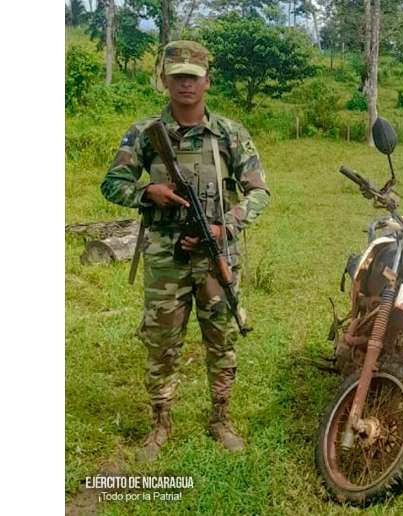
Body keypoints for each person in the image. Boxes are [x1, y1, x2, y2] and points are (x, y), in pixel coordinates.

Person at [100, 41, 270, 460]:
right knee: (161, 343)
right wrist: (148, 192)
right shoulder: (145, 134)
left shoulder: (230, 134)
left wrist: (225, 225)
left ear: (207, 81)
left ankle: (221, 419)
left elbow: (259, 192)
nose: (185, 85)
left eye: (193, 77)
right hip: (165, 259)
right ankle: (160, 424)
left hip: (216, 257)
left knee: (221, 340)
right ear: (165, 81)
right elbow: (112, 184)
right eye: (177, 77)